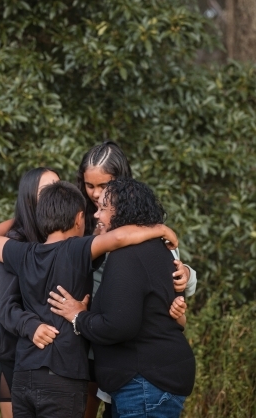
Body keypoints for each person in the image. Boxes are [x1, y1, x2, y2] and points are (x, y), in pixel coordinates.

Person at [0, 181, 179, 418]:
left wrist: (23, 216)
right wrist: (160, 229)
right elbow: (118, 238)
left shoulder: (23, 254)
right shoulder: (77, 249)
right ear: (78, 219)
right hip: (63, 377)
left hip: (23, 375)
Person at [48, 178, 196, 418]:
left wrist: (78, 316)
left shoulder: (127, 255)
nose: (97, 215)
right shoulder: (156, 247)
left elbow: (119, 325)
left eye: (104, 209)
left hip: (145, 383)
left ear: (123, 213)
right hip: (152, 380)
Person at [0, 167, 60, 418]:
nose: (52, 195)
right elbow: (5, 307)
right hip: (11, 357)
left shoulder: (65, 236)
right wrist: (33, 327)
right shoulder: (14, 243)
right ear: (29, 198)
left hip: (49, 362)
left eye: (56, 188)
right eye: (45, 191)